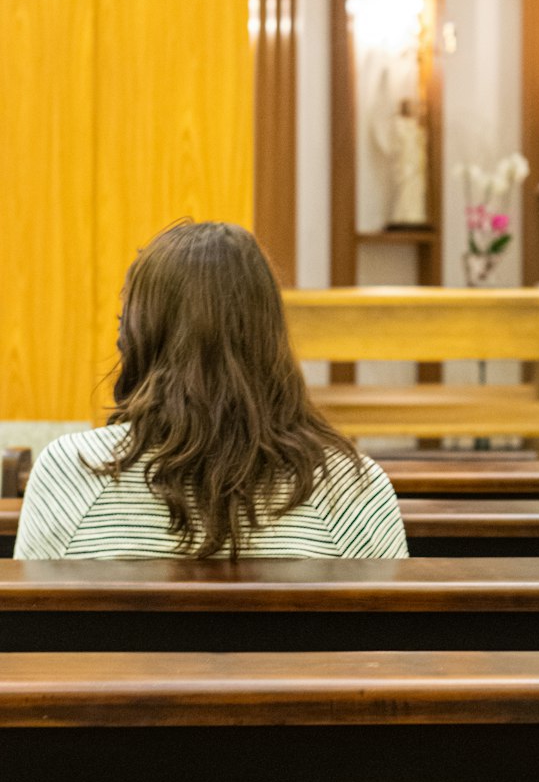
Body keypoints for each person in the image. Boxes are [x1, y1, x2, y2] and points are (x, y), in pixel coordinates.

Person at [14, 222, 408, 561]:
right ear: (270, 339)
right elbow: (396, 644)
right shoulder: (352, 490)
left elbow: (22, 639)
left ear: (135, 338)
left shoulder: (69, 475)